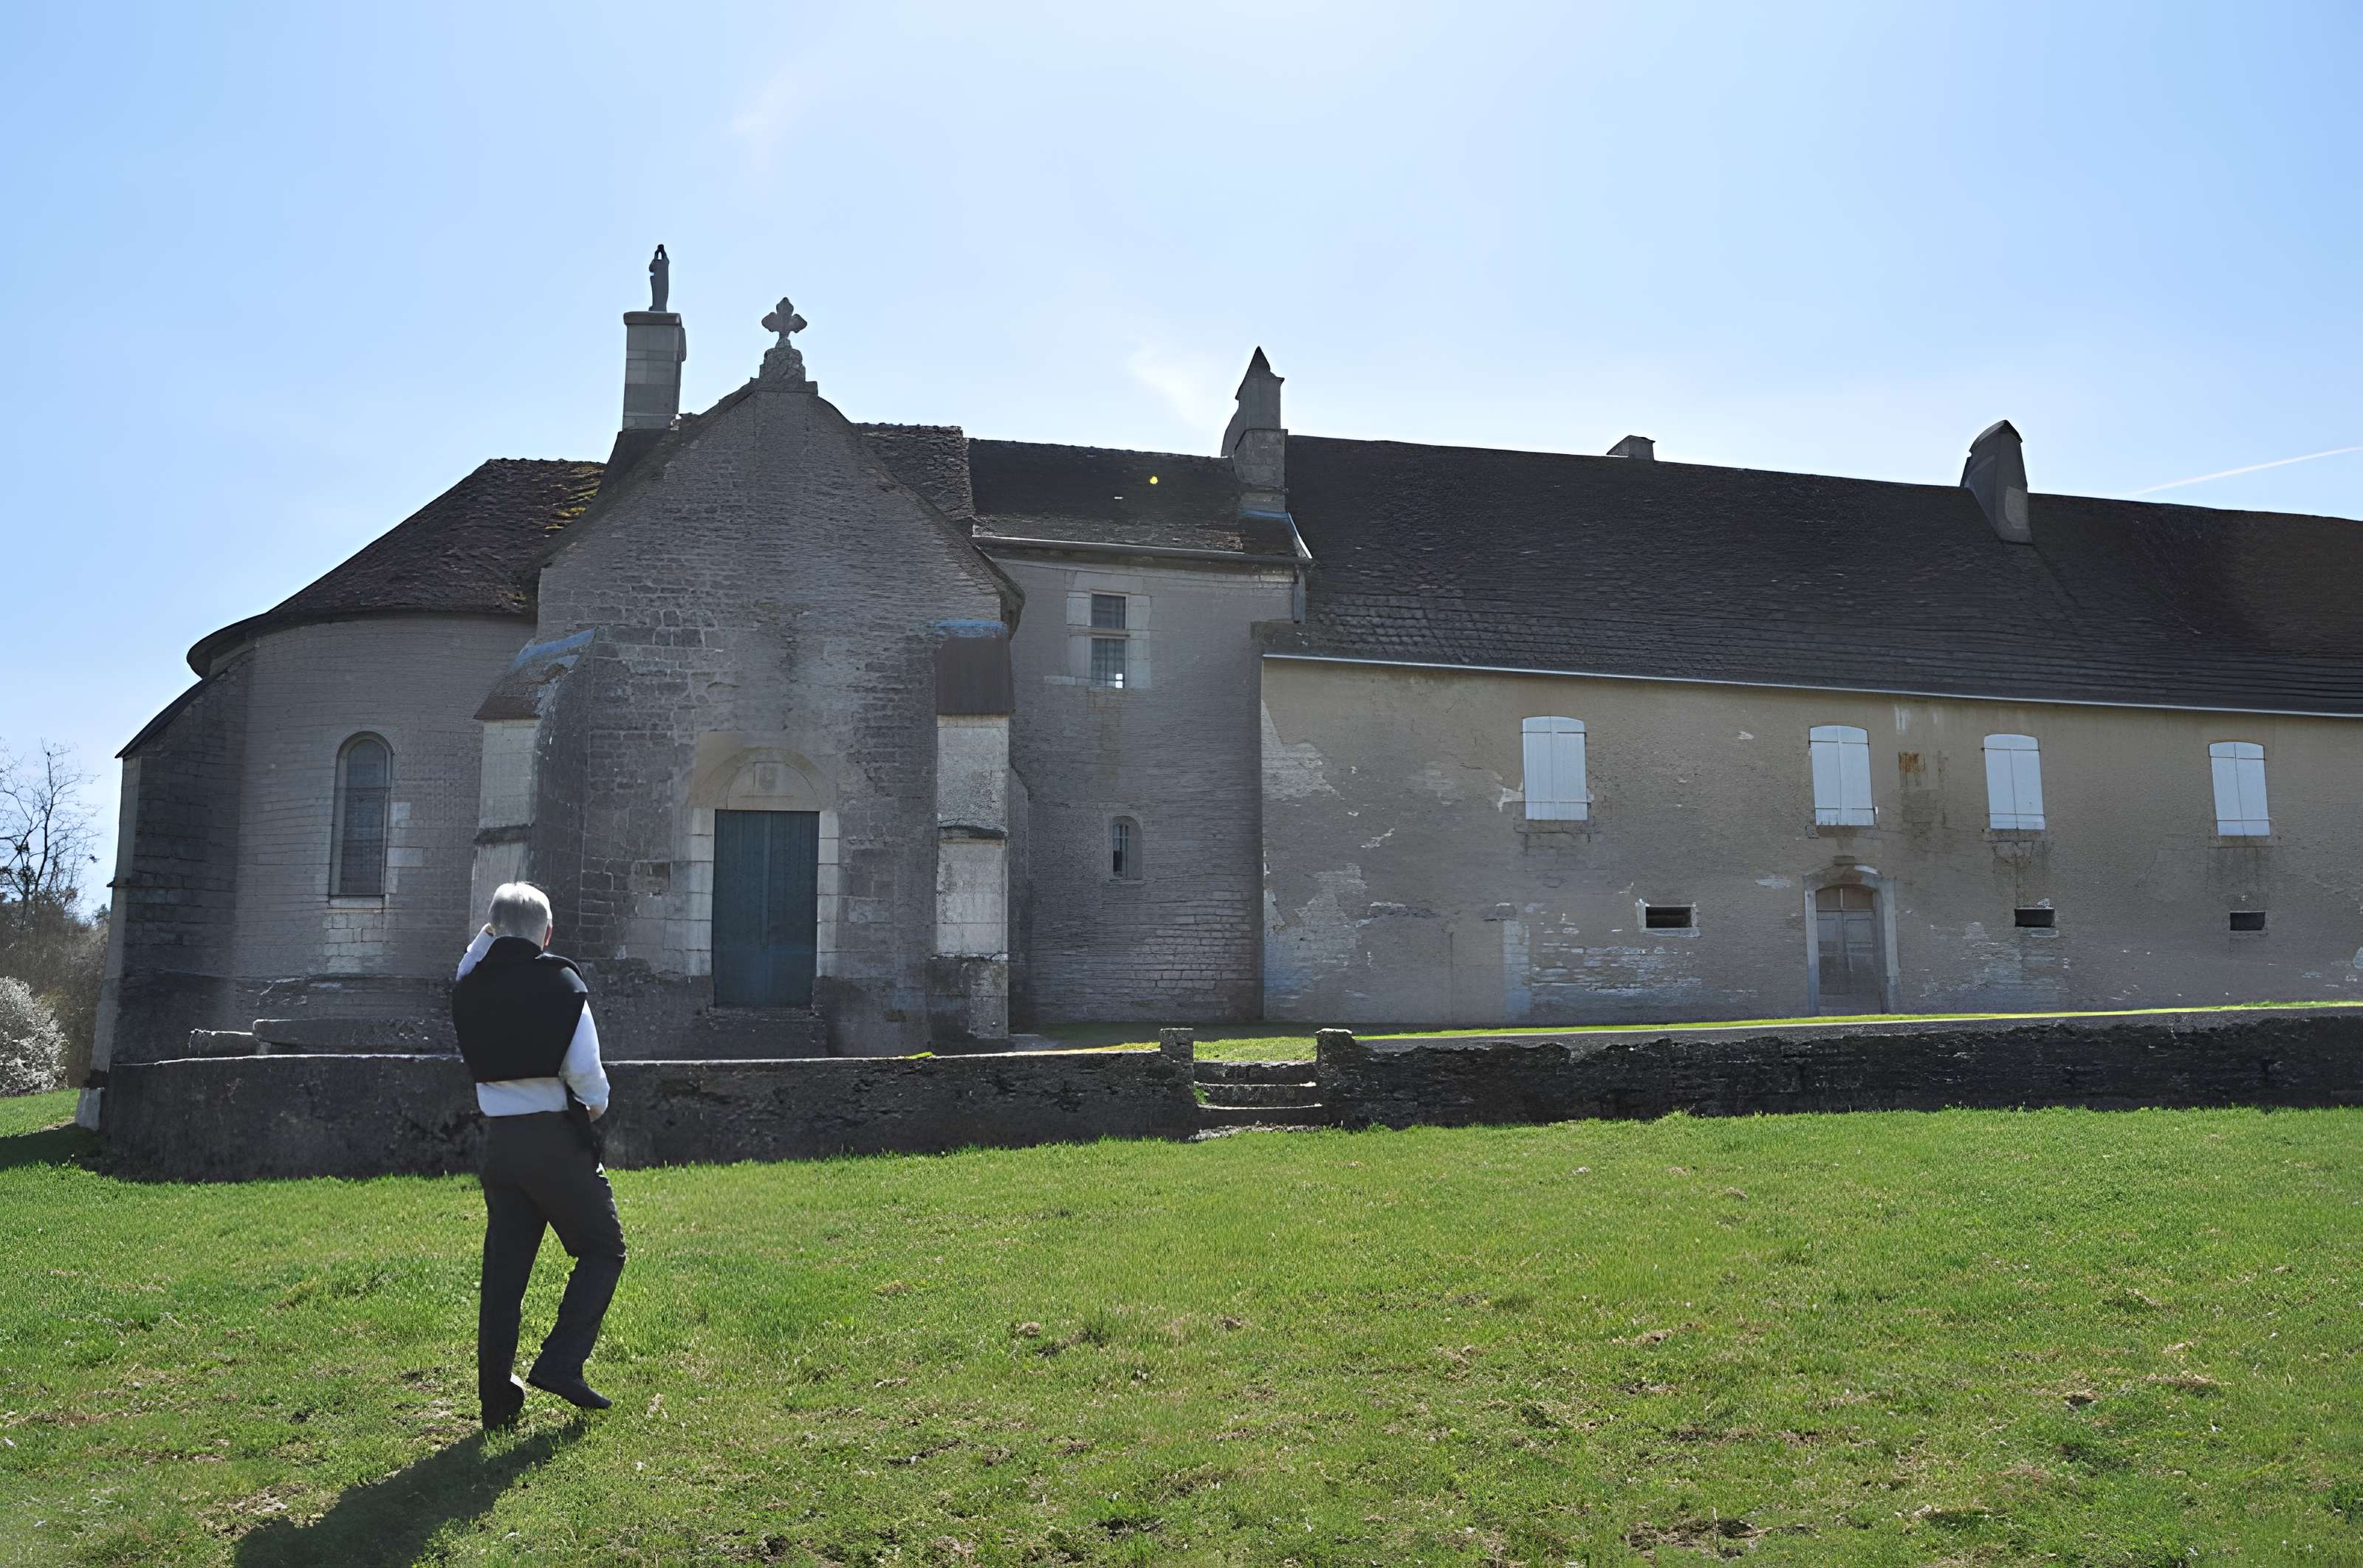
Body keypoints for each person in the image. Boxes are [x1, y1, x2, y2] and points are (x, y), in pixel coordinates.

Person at [451, 882, 625, 1427]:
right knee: (603, 1249)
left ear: (492, 930)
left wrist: (494, 928)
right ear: (548, 935)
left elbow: (472, 957)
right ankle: (561, 1362)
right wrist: (593, 1114)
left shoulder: (468, 985)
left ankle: (496, 1401)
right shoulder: (563, 986)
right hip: (553, 1141)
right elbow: (587, 1081)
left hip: (498, 1144)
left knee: (504, 1273)